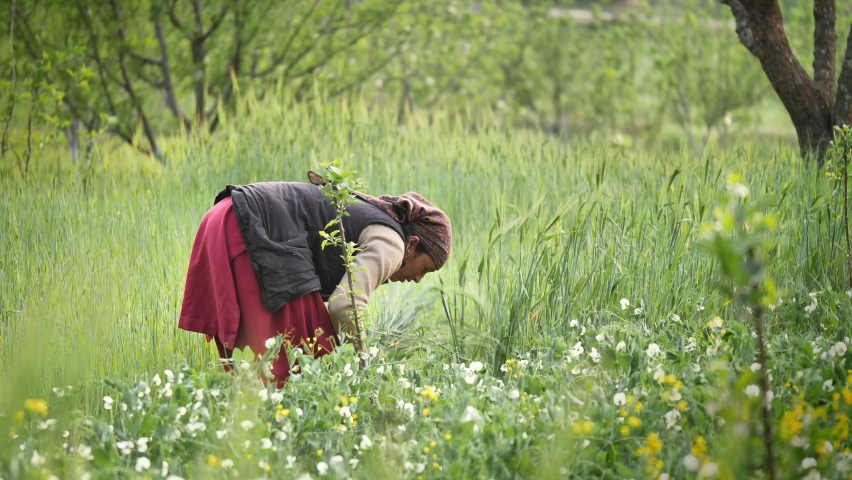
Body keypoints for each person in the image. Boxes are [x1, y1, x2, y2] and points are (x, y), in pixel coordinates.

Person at [177, 175, 452, 386]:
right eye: (424, 268)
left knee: (259, 371)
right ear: (412, 244)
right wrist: (362, 364)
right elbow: (345, 305)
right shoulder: (393, 243)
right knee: (306, 367)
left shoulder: (377, 223)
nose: (417, 279)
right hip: (248, 226)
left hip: (225, 217)